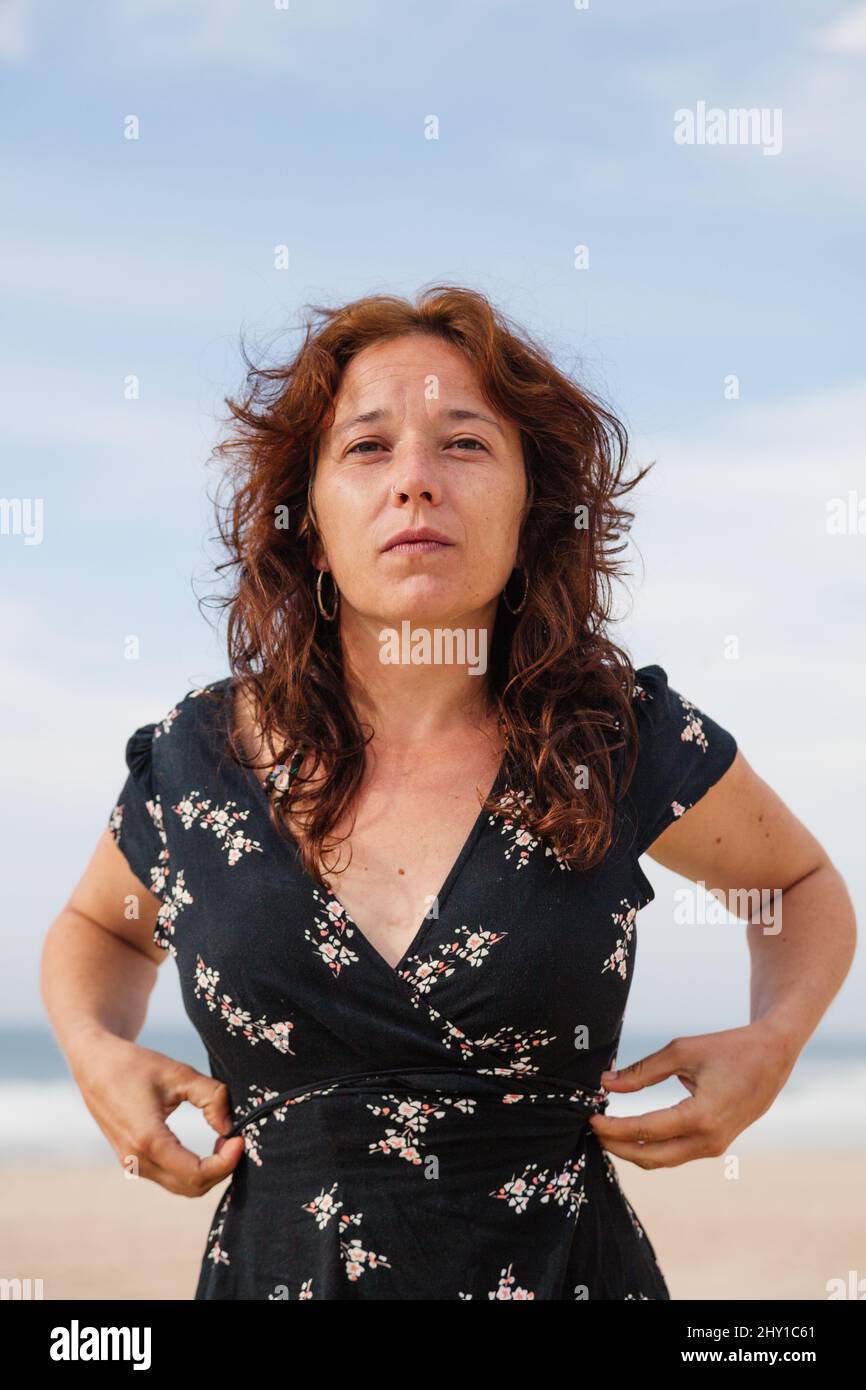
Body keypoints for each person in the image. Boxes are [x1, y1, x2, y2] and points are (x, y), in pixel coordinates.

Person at [41, 286, 856, 1301]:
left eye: (463, 445)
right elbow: (102, 927)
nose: (415, 482)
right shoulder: (196, 759)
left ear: (529, 506)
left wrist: (772, 1041)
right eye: (368, 448)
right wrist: (91, 1050)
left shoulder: (617, 738)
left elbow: (796, 882)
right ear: (308, 518)